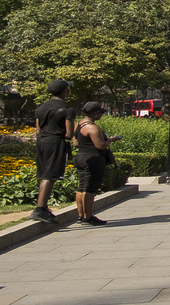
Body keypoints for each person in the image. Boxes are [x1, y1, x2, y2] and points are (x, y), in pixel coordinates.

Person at [30, 79, 74, 222]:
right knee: (50, 176)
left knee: (45, 174)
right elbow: (69, 134)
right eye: (68, 88)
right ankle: (40, 209)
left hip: (42, 141)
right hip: (55, 142)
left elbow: (38, 130)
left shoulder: (41, 107)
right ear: (65, 91)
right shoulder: (67, 109)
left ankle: (41, 208)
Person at [72, 101, 116, 226]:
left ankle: (81, 215)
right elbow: (100, 145)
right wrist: (110, 140)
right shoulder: (92, 127)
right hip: (93, 159)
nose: (101, 115)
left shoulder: (78, 125)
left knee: (81, 187)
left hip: (80, 156)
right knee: (89, 188)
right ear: (95, 113)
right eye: (100, 113)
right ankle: (88, 216)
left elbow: (75, 143)